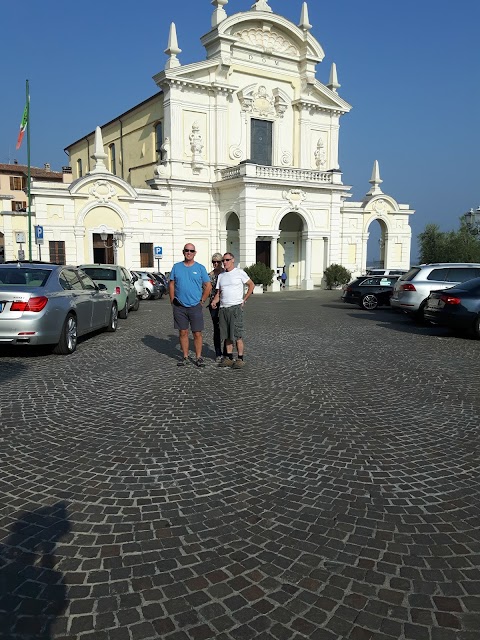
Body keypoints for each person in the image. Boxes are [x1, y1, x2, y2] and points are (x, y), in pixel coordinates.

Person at [169, 243, 211, 367]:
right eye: (187, 250)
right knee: (183, 332)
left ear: (195, 253)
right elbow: (171, 283)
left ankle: (198, 357)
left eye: (191, 251)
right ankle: (185, 357)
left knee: (197, 333)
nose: (189, 252)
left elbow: (208, 286)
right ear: (183, 252)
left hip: (195, 305)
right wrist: (172, 299)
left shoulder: (200, 268)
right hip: (180, 305)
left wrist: (202, 300)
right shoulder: (176, 267)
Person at [210, 252, 255, 369]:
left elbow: (251, 285)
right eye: (223, 260)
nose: (225, 262)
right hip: (223, 308)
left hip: (235, 308)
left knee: (237, 335)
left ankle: (240, 358)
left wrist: (244, 299)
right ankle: (229, 358)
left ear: (233, 260)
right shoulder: (221, 276)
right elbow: (219, 292)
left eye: (227, 260)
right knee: (226, 335)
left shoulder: (240, 273)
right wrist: (214, 301)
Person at [208, 253, 225, 362]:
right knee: (217, 328)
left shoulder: (226, 273)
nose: (215, 263)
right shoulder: (210, 275)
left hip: (225, 303)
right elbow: (205, 288)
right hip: (213, 304)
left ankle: (227, 352)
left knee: (226, 328)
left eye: (218, 261)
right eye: (213, 262)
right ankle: (218, 352)